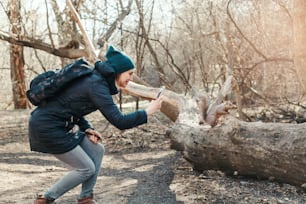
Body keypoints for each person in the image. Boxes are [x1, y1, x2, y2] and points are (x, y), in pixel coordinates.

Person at [29, 45, 163, 204]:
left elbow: (71, 107)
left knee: (96, 149)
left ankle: (86, 198)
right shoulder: (96, 85)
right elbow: (120, 121)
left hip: (57, 124)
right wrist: (147, 112)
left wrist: (88, 128)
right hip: (47, 128)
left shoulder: (96, 81)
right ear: (118, 71)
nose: (131, 79)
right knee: (86, 169)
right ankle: (46, 198)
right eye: (130, 73)